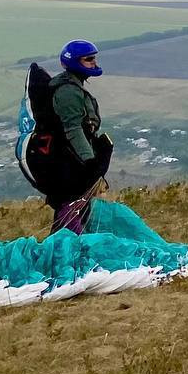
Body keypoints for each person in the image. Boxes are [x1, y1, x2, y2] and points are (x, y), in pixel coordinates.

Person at [25, 40, 113, 234]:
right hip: (66, 164)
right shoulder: (68, 92)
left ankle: (66, 248)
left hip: (67, 161)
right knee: (71, 208)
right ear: (75, 62)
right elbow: (73, 129)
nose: (93, 62)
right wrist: (90, 162)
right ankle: (66, 251)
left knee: (74, 210)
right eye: (88, 59)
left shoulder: (72, 86)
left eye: (94, 58)